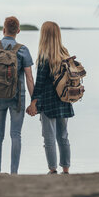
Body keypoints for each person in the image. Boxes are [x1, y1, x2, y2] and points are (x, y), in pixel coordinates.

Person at [0, 16, 34, 174]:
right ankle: (14, 174)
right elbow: (29, 78)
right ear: (18, 31)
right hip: (17, 99)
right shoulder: (23, 50)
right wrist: (34, 101)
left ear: (3, 29)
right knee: (16, 135)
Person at [26, 21, 74, 175]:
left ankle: (53, 169)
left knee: (49, 137)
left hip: (48, 102)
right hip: (64, 100)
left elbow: (39, 84)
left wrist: (33, 103)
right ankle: (66, 169)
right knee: (63, 136)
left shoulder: (44, 56)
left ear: (44, 35)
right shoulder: (65, 53)